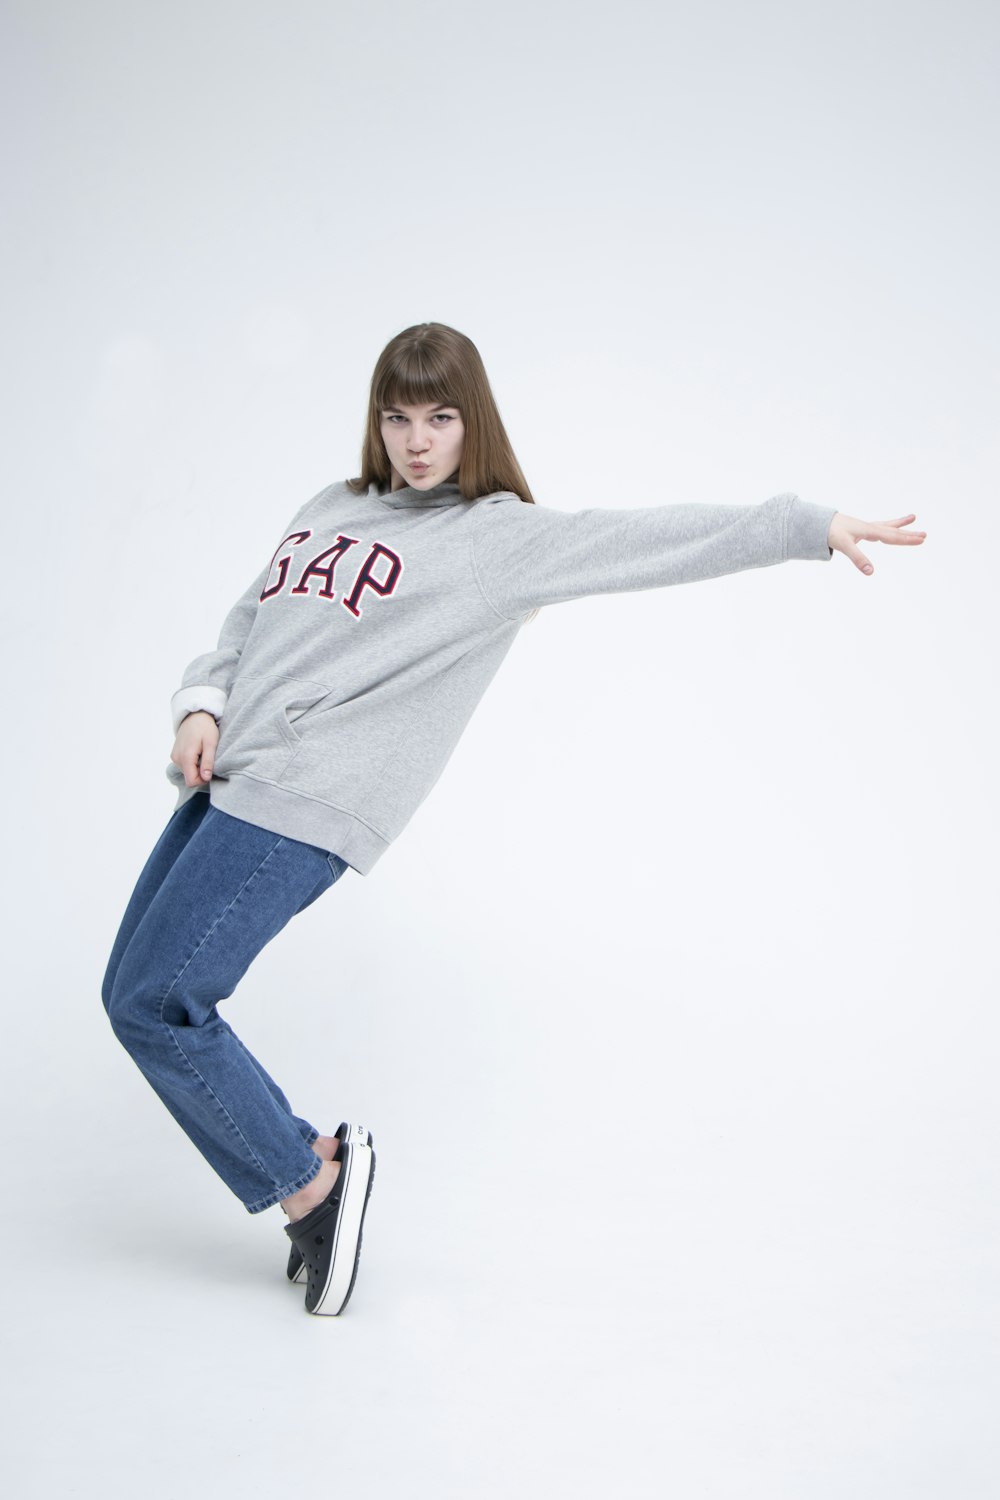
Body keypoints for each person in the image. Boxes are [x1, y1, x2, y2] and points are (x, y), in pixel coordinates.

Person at [101, 320, 927, 1317]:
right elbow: (248, 620)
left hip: (305, 802)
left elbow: (643, 540)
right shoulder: (331, 504)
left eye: (439, 417)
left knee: (160, 1002)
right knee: (131, 993)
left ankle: (312, 1190)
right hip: (226, 779)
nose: (416, 440)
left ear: (470, 422)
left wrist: (803, 524)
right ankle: (313, 1160)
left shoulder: (491, 538)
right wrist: (202, 702)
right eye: (397, 417)